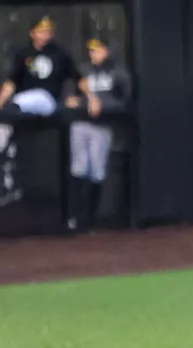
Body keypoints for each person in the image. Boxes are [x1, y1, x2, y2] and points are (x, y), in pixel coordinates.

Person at [64, 35, 133, 231]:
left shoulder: (117, 73)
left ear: (107, 51)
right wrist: (75, 100)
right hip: (81, 123)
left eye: (97, 49)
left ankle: (91, 219)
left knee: (97, 171)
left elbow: (125, 101)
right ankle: (73, 218)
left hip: (102, 126)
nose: (93, 53)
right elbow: (70, 94)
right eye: (91, 50)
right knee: (78, 168)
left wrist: (102, 104)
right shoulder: (83, 70)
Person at [0, 16, 84, 116]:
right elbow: (12, 81)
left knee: (40, 95)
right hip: (23, 104)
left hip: (50, 102)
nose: (45, 36)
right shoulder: (23, 53)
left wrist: (79, 97)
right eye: (41, 32)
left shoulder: (60, 53)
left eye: (48, 32)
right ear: (32, 33)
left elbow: (78, 78)